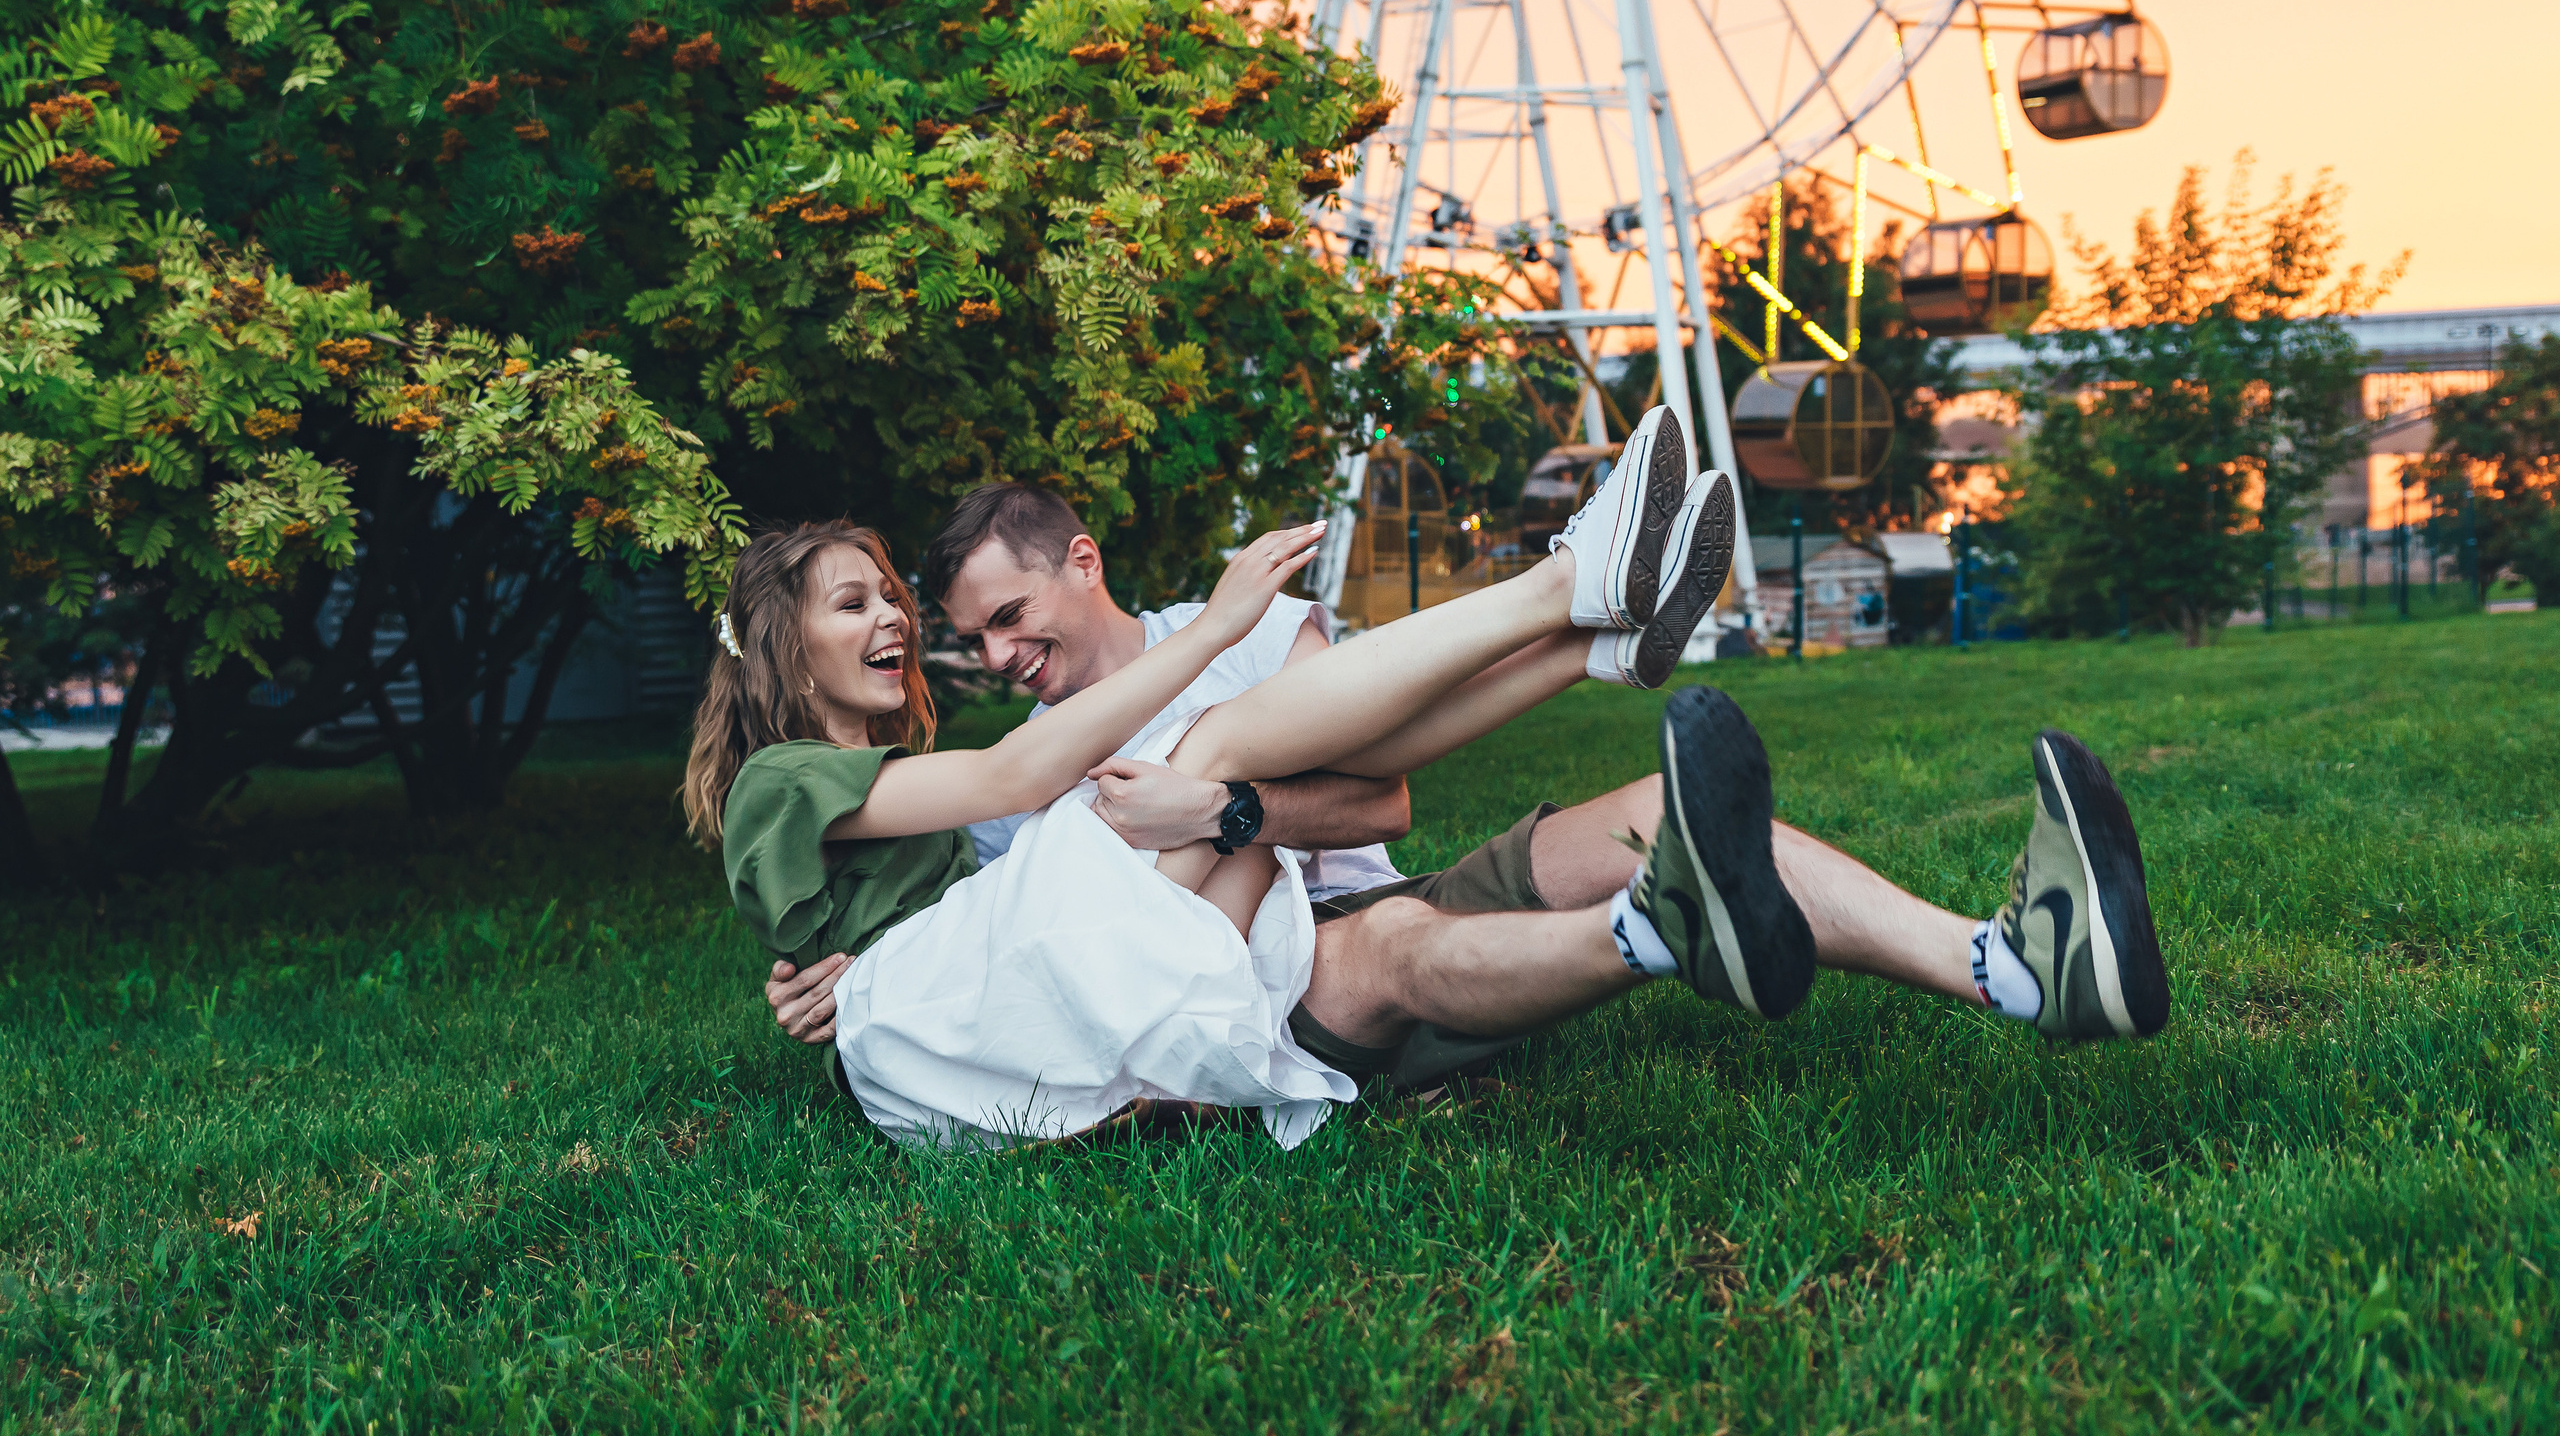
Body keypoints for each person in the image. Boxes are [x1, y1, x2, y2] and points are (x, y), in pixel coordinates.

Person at [763, 431, 2168, 1088]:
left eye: (1011, 619)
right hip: (1298, 973)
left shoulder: (1233, 634)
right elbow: (1003, 956)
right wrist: (847, 973)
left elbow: (1381, 794)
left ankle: (2014, 964)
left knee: (1642, 810)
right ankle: (1579, 616)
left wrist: (1231, 806)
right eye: (980, 645)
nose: (1004, 660)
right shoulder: (1034, 769)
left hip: (1369, 875)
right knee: (1386, 943)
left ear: (1082, 563)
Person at [692, 441, 1751, 1145]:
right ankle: (1567, 591)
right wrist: (1218, 629)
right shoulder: (803, 778)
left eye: (892, 598)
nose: (904, 624)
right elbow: (1014, 793)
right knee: (1217, 744)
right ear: (786, 646)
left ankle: (1589, 641)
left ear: (1081, 561)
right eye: (854, 601)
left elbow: (975, 904)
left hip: (1056, 976)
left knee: (1226, 771)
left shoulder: (914, 789)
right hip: (1001, 1005)